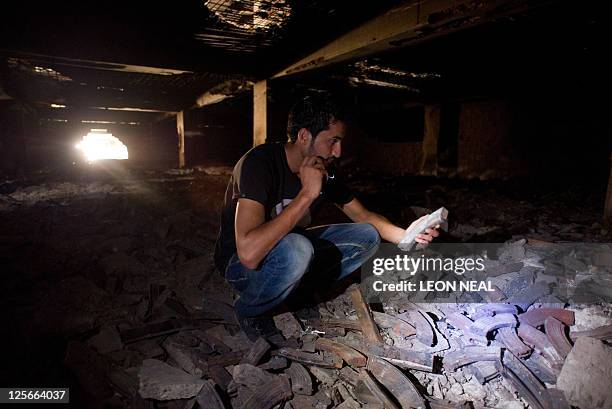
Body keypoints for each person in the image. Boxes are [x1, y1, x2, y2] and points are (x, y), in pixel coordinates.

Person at [214, 93, 439, 340]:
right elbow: (248, 254)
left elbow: (363, 215)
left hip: (290, 253)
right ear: (303, 136)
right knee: (298, 248)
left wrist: (406, 235)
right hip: (239, 265)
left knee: (366, 236)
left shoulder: (325, 169)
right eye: (333, 141)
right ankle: (250, 310)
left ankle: (296, 293)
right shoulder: (259, 163)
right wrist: (306, 195)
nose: (339, 151)